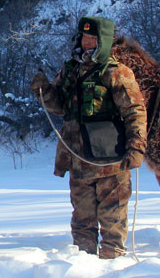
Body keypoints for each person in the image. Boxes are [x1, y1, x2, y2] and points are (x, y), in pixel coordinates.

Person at [30, 16, 146, 259]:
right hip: (79, 160)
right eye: (84, 37)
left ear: (103, 41)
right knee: (82, 219)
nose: (87, 42)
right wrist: (44, 91)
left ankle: (113, 264)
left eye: (93, 38)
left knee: (112, 217)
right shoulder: (70, 69)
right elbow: (60, 107)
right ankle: (83, 266)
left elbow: (135, 110)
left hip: (110, 161)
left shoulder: (116, 72)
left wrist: (136, 147)